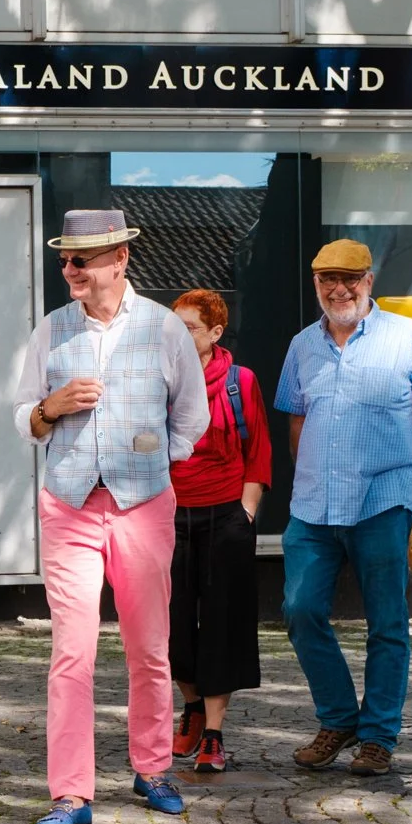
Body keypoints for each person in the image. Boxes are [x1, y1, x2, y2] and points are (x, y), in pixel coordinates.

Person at [14, 210, 209, 824]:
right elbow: (22, 418)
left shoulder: (163, 329)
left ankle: (152, 769)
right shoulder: (51, 330)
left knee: (149, 648)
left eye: (81, 259)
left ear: (119, 259)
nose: (68, 269)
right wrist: (50, 408)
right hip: (68, 505)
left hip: (144, 505)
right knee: (72, 652)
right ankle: (71, 794)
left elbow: (193, 417)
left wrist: (155, 458)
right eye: (65, 259)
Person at [275, 239, 412, 778]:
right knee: (299, 610)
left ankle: (378, 737)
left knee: (387, 623)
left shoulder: (408, 337)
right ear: (315, 284)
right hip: (313, 507)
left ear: (370, 280)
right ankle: (340, 717)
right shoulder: (302, 345)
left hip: (382, 502)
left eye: (351, 278)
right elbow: (296, 421)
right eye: (327, 280)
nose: (339, 289)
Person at [167, 290, 271, 773]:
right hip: (168, 516)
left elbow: (260, 452)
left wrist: (247, 510)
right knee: (171, 626)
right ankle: (189, 706)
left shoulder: (239, 381)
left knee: (222, 629)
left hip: (226, 514)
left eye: (189, 327)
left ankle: (212, 733)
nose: (180, 336)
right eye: (175, 326)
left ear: (214, 333)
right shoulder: (158, 379)